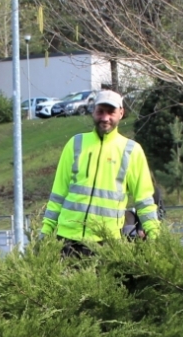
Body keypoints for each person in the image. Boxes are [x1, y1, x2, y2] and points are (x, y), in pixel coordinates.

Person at [40, 89, 161, 251]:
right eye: (100, 111)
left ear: (121, 113)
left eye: (111, 112)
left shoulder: (131, 151)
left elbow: (145, 201)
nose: (105, 118)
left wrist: (155, 237)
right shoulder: (75, 144)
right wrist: (46, 232)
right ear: (93, 111)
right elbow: (57, 195)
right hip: (67, 240)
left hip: (107, 243)